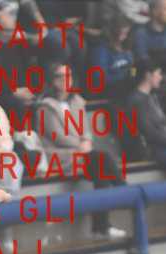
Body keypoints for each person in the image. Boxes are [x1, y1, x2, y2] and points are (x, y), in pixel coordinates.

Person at [39, 63, 127, 240]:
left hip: (82, 154)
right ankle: (125, 193)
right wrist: (80, 146)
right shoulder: (45, 107)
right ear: (53, 81)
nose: (67, 80)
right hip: (60, 156)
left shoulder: (77, 102)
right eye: (61, 76)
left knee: (101, 174)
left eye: (69, 75)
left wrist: (86, 141)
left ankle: (101, 227)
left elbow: (86, 130)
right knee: (102, 159)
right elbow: (57, 136)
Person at [91, 15, 135, 101]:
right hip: (108, 90)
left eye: (126, 33)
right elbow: (99, 78)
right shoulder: (101, 50)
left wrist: (133, 76)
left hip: (126, 87)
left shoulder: (126, 49)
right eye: (121, 33)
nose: (124, 36)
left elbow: (133, 67)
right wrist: (123, 77)